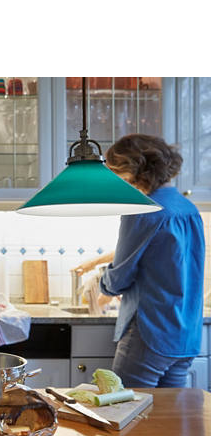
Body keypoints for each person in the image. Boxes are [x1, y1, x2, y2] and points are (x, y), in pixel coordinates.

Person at [76, 135, 205, 389]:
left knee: (127, 414)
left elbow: (118, 279)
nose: (117, 180)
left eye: (117, 172)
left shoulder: (142, 209)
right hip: (186, 335)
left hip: (150, 334)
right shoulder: (189, 210)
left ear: (134, 168)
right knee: (168, 419)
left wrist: (101, 283)